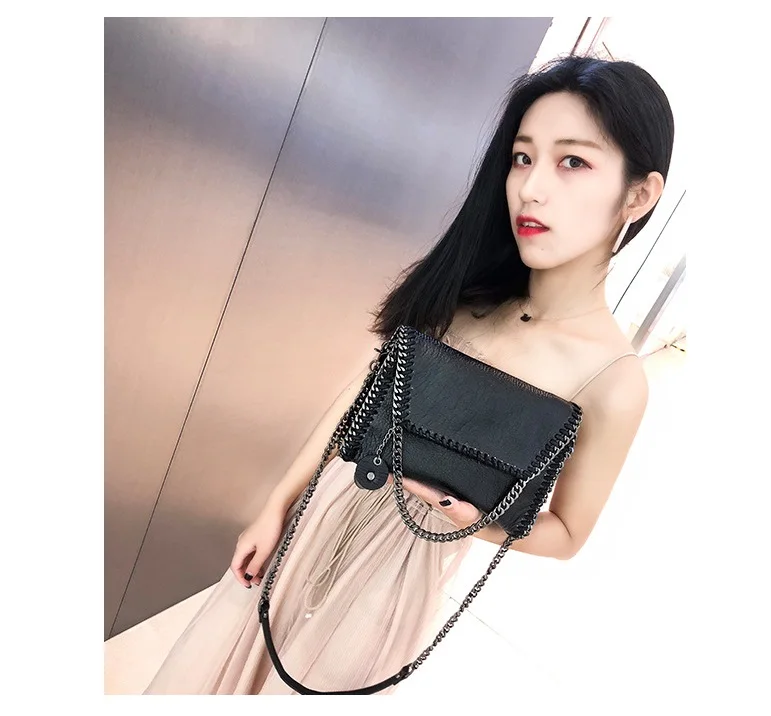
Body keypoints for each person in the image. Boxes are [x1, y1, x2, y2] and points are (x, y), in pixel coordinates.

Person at [143, 53, 674, 695]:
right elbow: (360, 401)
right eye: (522, 157)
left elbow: (566, 534)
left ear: (639, 194)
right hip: (316, 517)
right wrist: (277, 503)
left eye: (573, 163)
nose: (531, 188)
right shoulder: (466, 299)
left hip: (398, 579)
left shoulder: (613, 379)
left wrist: (467, 516)